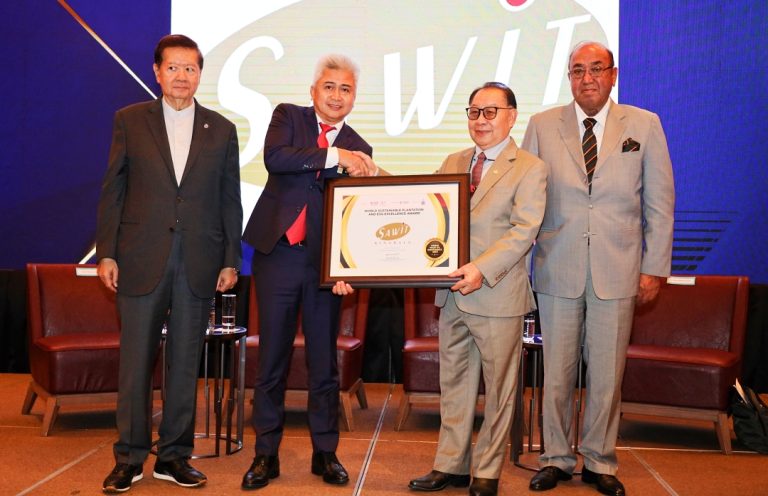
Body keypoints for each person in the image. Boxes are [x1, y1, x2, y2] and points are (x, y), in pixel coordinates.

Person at [522, 41, 675, 496]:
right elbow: (525, 199)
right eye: (577, 71)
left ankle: (599, 461)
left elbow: (660, 203)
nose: (587, 78)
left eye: (596, 69)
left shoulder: (645, 125)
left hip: (619, 268)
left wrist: (655, 268)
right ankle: (555, 458)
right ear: (569, 77)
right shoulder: (542, 125)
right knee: (557, 374)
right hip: (557, 266)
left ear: (613, 74)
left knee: (607, 374)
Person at [96, 34, 242, 493]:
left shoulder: (222, 129)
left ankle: (174, 456)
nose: (182, 76)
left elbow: (230, 199)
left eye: (190, 68)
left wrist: (231, 259)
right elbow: (114, 189)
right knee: (135, 363)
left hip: (199, 260)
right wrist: (107, 251)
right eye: (173, 67)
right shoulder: (129, 120)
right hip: (140, 258)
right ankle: (129, 457)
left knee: (184, 364)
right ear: (157, 72)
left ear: (200, 75)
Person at [240, 54, 378, 491]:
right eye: (329, 87)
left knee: (323, 363)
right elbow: (276, 158)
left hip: (324, 267)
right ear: (313, 91)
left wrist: (348, 268)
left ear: (354, 97)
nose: (337, 96)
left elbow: (355, 217)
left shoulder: (362, 149)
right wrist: (336, 156)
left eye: (346, 89)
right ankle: (265, 454)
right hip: (278, 255)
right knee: (272, 360)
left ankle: (325, 452)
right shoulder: (288, 117)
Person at [408, 82, 547, 496]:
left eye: (490, 112)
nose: (480, 120)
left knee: (500, 390)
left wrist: (480, 270)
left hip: (497, 295)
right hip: (452, 294)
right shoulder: (453, 161)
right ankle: (450, 465)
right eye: (473, 112)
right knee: (454, 385)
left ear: (511, 116)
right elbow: (424, 211)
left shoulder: (530, 168)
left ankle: (486, 471)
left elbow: (524, 231)